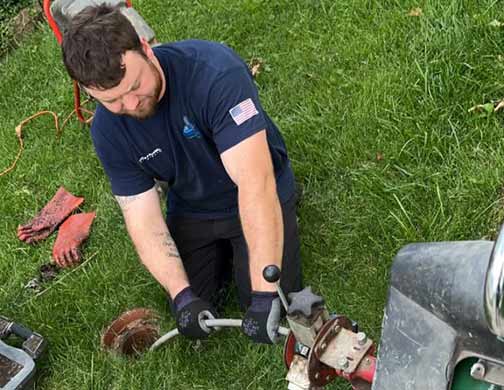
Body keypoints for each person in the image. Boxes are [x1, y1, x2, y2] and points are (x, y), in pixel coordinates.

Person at [61, 4, 302, 344]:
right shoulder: (106, 131)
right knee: (193, 307)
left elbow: (255, 184)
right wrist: (181, 295)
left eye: (134, 87)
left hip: (253, 188)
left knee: (266, 302)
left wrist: (264, 295)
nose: (129, 106)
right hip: (191, 207)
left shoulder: (214, 73)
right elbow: (142, 218)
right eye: (112, 100)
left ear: (146, 49)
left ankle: (284, 214)